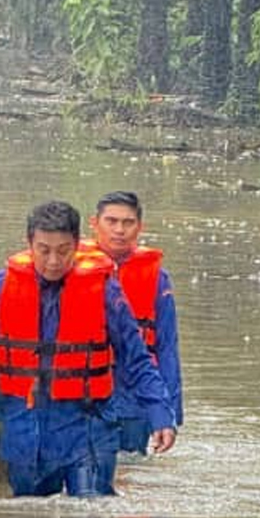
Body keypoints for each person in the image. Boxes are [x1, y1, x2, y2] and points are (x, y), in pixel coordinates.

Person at [0, 200, 176, 497]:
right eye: (44, 250)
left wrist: (160, 414)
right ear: (30, 244)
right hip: (26, 431)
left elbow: (137, 358)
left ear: (77, 246)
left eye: (63, 251)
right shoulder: (3, 286)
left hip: (89, 428)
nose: (53, 261)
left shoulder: (105, 290)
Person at [85, 191, 182, 455]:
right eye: (111, 221)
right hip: (84, 393)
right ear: (94, 223)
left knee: (130, 471)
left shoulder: (157, 279)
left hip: (135, 397)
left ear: (140, 227)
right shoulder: (70, 269)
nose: (120, 230)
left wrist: (170, 412)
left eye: (128, 223)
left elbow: (166, 347)